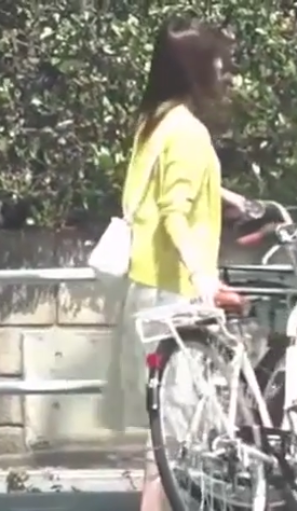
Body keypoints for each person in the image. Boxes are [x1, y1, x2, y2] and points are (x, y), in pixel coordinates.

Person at [98, 17, 250, 511]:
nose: (227, 75)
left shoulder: (156, 121)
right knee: (172, 431)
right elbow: (173, 212)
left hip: (149, 286)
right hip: (176, 293)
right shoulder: (187, 131)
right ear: (195, 68)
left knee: (163, 426)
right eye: (220, 64)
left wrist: (228, 198)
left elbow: (167, 187)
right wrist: (203, 278)